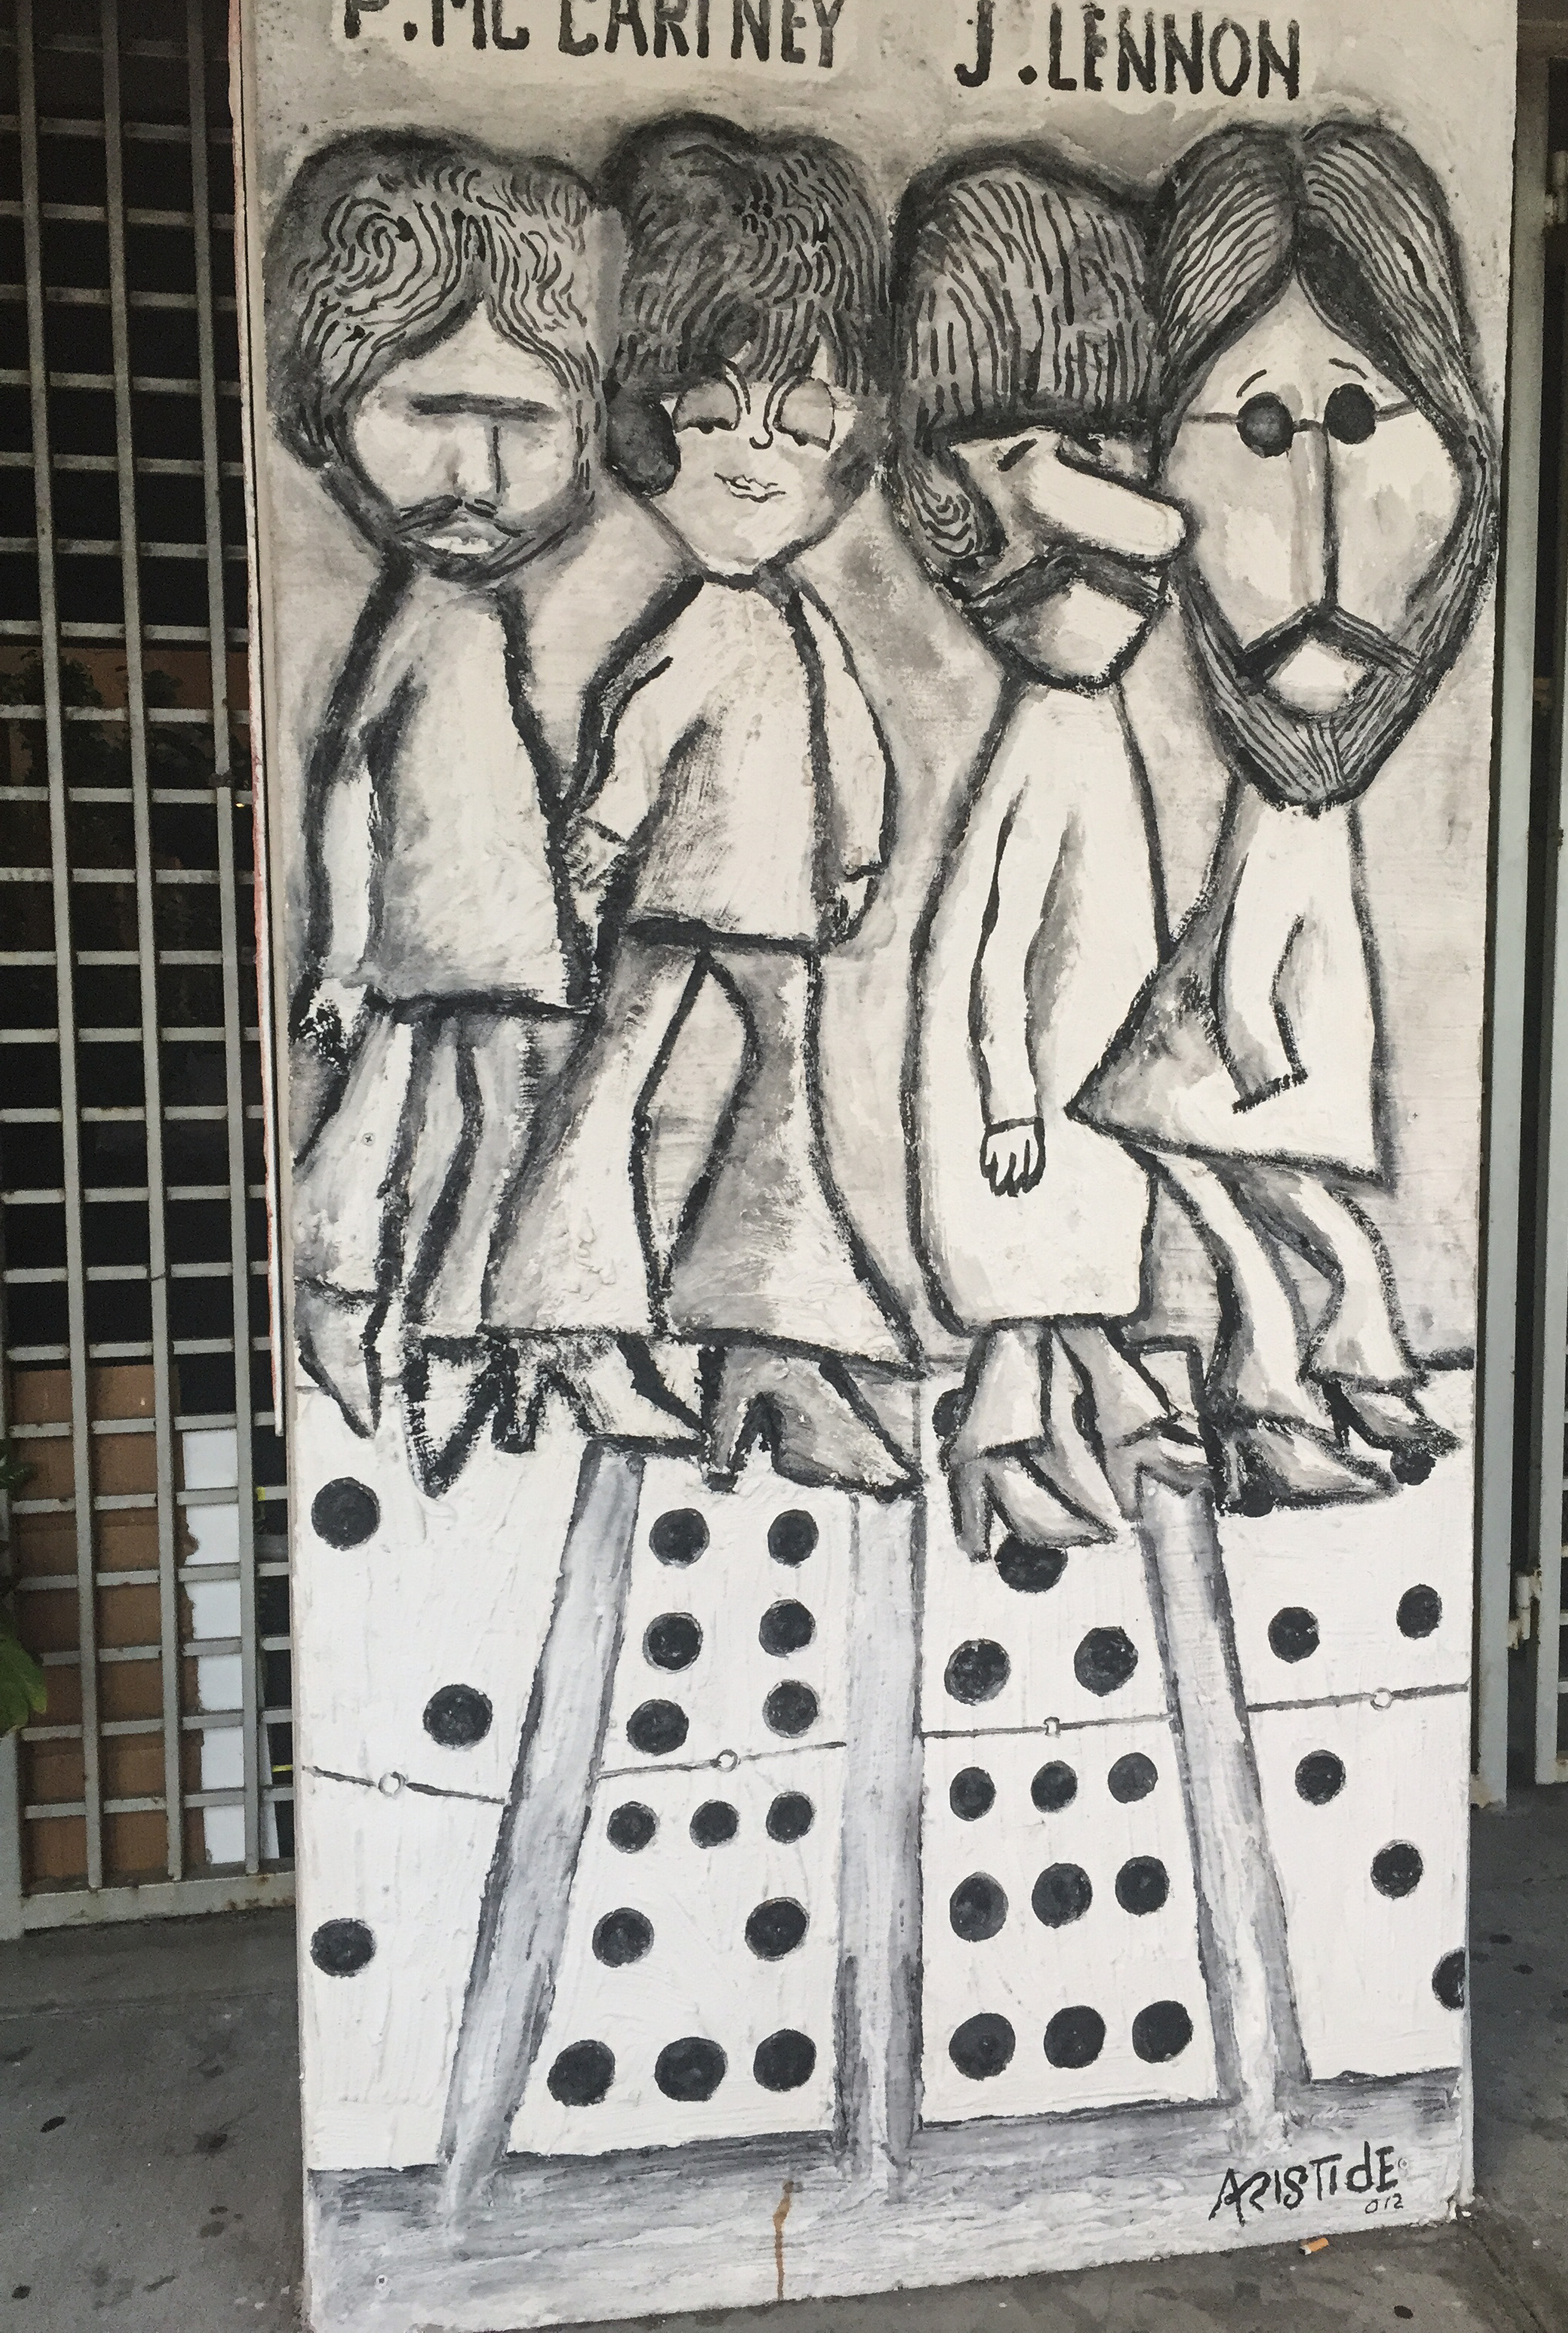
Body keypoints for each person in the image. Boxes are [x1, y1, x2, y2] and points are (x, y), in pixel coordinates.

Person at [480, 118, 919, 1497]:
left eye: (801, 424)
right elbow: (633, 748)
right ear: (648, 425)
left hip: (776, 905)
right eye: (713, 413)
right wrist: (595, 853)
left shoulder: (799, 625)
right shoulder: (695, 628)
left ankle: (769, 1326)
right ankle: (565, 1318)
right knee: (615, 1076)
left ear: (848, 444)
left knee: (782, 1081)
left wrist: (859, 853)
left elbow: (852, 751)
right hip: (672, 894)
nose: (753, 455)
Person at [1077, 119, 1501, 1507]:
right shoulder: (1293, 779)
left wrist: (1261, 1042)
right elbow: (1260, 925)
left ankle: (1306, 1377)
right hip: (1244, 1061)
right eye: (1258, 429)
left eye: (1360, 421)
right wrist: (1257, 1040)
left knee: (1252, 1204)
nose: (1315, 504)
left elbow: (1274, 915)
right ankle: (1317, 1376)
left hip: (1252, 1064)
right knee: (1263, 1206)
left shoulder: (1310, 776)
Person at [272, 130, 695, 1495]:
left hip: (509, 939)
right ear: (334, 409)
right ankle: (381, 1323)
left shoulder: (496, 618)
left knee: (505, 1128)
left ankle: (490, 1341)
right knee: (392, 1131)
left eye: (525, 424)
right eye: (431, 412)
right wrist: (345, 956)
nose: (477, 472)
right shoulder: (425, 625)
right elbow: (353, 785)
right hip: (425, 947)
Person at [891, 155, 1206, 1552]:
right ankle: (1003, 1437)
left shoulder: (1091, 739)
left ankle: (1101, 1392)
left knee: (1083, 1251)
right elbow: (994, 946)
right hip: (1019, 1097)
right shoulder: (1048, 731)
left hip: (1079, 1086)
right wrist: (1010, 1098)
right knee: (1025, 1274)